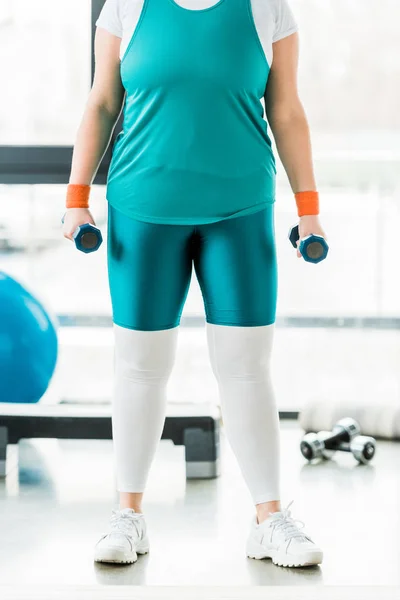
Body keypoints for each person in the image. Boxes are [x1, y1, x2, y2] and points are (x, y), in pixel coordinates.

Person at [63, 0, 325, 568]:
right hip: (143, 208)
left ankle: (269, 520)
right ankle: (127, 515)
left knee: (247, 365)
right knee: (139, 364)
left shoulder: (267, 9)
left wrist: (309, 209)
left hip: (240, 210)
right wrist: (74, 199)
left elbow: (287, 112)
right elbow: (102, 102)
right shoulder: (126, 8)